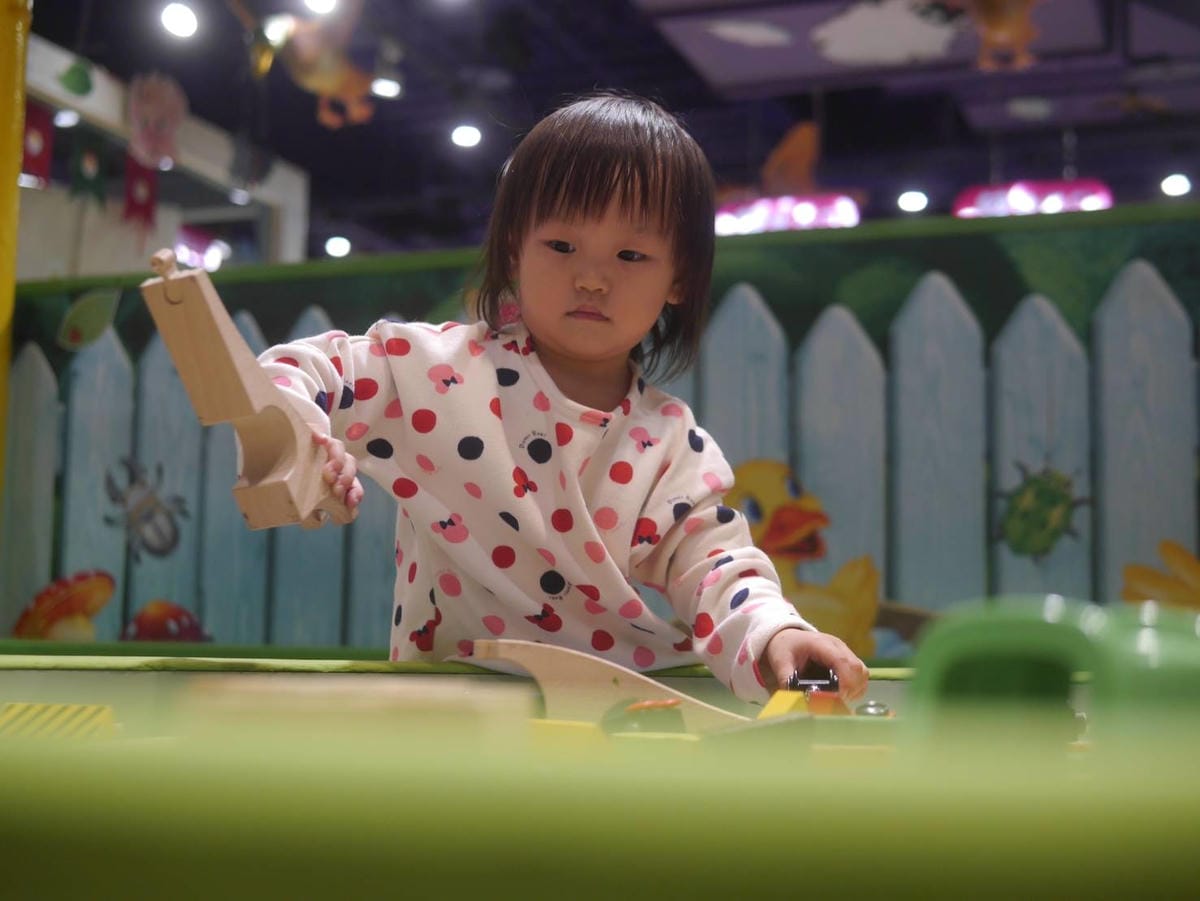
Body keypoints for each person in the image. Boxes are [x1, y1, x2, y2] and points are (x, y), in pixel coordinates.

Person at [260, 92, 869, 703]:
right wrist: (301, 433)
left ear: (679, 277)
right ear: (513, 249)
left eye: (630, 254)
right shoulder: (436, 371)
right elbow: (296, 368)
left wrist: (775, 632)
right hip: (451, 710)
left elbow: (716, 567)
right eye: (561, 246)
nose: (592, 278)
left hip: (618, 708)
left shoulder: (670, 443)